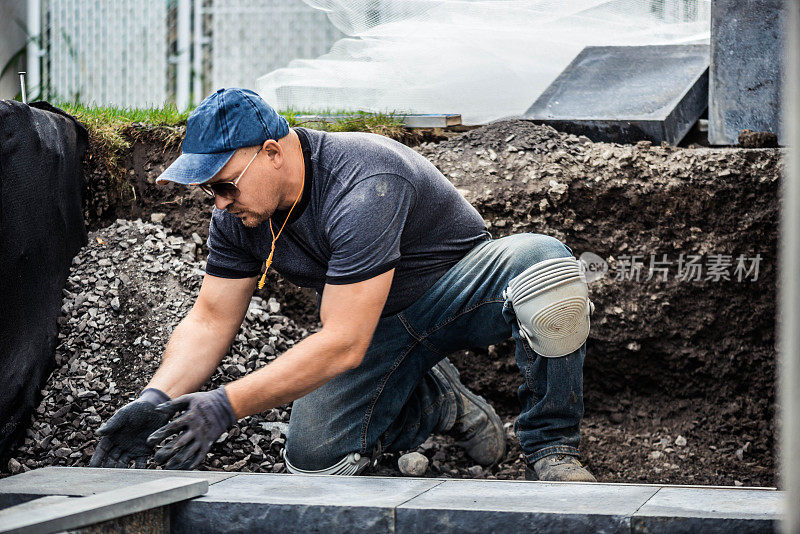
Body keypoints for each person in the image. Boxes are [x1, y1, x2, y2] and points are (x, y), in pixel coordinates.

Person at [89, 88, 595, 482]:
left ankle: (551, 448)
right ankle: (440, 401)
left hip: (460, 294)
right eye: (208, 190)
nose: (218, 202)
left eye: (224, 184)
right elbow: (211, 318)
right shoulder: (240, 217)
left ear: (271, 153)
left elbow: (343, 343)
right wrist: (156, 398)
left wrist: (225, 405)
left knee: (543, 270)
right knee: (316, 463)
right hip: (379, 327)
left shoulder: (364, 179)